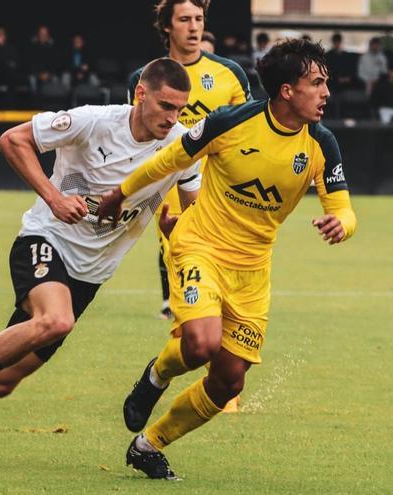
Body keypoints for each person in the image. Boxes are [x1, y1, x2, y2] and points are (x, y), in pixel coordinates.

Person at [0, 58, 201, 462]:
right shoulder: (94, 121)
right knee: (55, 320)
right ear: (141, 94)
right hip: (45, 241)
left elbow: (193, 217)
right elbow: (12, 140)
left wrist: (176, 228)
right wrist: (54, 197)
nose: (173, 118)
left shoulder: (183, 146)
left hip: (89, 277)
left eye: (180, 109)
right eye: (166, 106)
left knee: (0, 383)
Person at [97, 38, 357, 480]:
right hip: (200, 245)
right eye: (316, 82)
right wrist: (119, 194)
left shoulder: (321, 143)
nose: (326, 92)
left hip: (253, 272)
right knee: (200, 343)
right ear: (287, 91)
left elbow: (344, 209)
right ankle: (156, 376)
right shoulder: (231, 122)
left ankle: (148, 445)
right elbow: (167, 162)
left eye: (326, 82)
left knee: (229, 382)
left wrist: (342, 225)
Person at [127, 0, 251, 413]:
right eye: (184, 20)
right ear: (167, 27)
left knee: (232, 286)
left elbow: (248, 133)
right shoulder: (146, 79)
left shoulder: (229, 74)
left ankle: (221, 378)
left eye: (199, 19)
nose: (194, 27)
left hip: (225, 202)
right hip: (174, 200)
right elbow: (141, 140)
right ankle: (201, 381)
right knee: (189, 288)